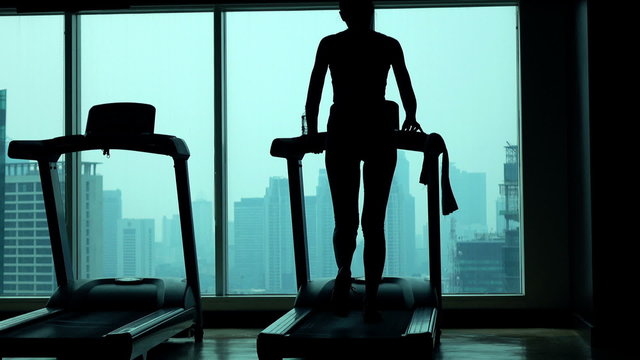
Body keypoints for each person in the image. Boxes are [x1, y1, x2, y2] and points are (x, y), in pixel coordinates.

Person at [304, 0, 422, 322]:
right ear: (368, 13)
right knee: (374, 223)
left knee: (345, 221)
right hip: (378, 127)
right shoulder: (387, 44)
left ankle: (344, 272)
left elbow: (314, 90)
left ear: (344, 15)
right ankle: (370, 299)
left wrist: (313, 131)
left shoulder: (330, 44)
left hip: (341, 125)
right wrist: (410, 116)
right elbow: (406, 88)